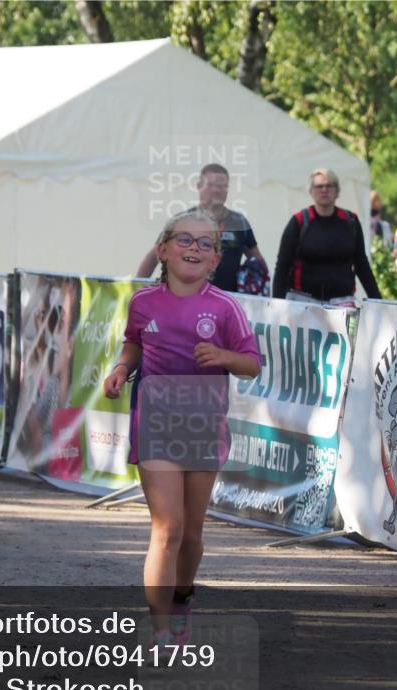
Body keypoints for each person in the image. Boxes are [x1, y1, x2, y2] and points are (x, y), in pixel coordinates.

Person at [106, 210, 261, 649]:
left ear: (215, 260)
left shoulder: (226, 308)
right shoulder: (143, 303)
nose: (193, 248)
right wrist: (121, 369)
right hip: (155, 421)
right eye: (184, 240)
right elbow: (133, 343)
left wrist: (224, 358)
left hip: (203, 424)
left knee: (192, 533)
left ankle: (180, 600)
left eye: (205, 244)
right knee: (167, 527)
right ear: (163, 250)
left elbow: (251, 363)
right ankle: (159, 631)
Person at [136, 164, 268, 293]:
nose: (216, 190)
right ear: (199, 186)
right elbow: (154, 256)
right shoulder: (181, 221)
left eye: (221, 186)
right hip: (185, 301)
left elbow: (259, 262)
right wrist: (137, 291)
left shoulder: (239, 222)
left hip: (226, 302)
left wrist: (264, 298)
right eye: (210, 185)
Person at [273, 168, 382, 305]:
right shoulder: (299, 221)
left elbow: (361, 264)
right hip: (302, 302)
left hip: (342, 303)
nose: (324, 190)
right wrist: (276, 305)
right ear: (311, 191)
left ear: (337, 191)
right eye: (319, 186)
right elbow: (282, 265)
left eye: (329, 185)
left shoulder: (351, 221)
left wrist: (378, 302)